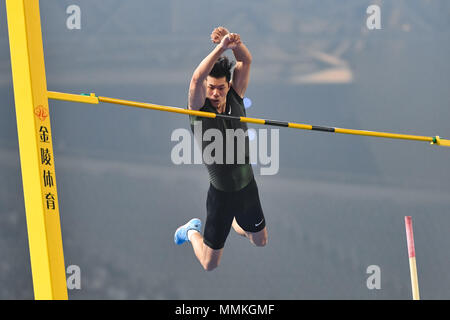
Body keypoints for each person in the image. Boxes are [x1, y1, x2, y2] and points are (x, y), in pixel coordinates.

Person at [174, 27, 268, 271]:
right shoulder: (198, 109)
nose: (215, 93)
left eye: (220, 87)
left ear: (229, 85)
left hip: (247, 187)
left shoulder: (236, 95)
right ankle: (191, 232)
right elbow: (195, 79)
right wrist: (220, 49)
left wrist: (234, 43)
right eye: (211, 87)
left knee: (260, 241)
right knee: (209, 264)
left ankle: (237, 220)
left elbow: (246, 60)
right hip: (221, 195)